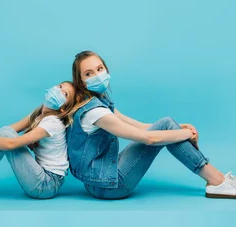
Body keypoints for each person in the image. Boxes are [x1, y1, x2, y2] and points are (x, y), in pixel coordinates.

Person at [67, 50, 236, 199]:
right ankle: (218, 181)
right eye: (88, 73)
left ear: (106, 69)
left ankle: (218, 180)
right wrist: (186, 134)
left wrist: (178, 128)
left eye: (99, 69)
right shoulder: (95, 112)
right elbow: (148, 138)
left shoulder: (98, 101)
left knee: (167, 123)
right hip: (109, 187)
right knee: (166, 126)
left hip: (102, 175)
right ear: (81, 81)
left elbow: (140, 126)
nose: (97, 75)